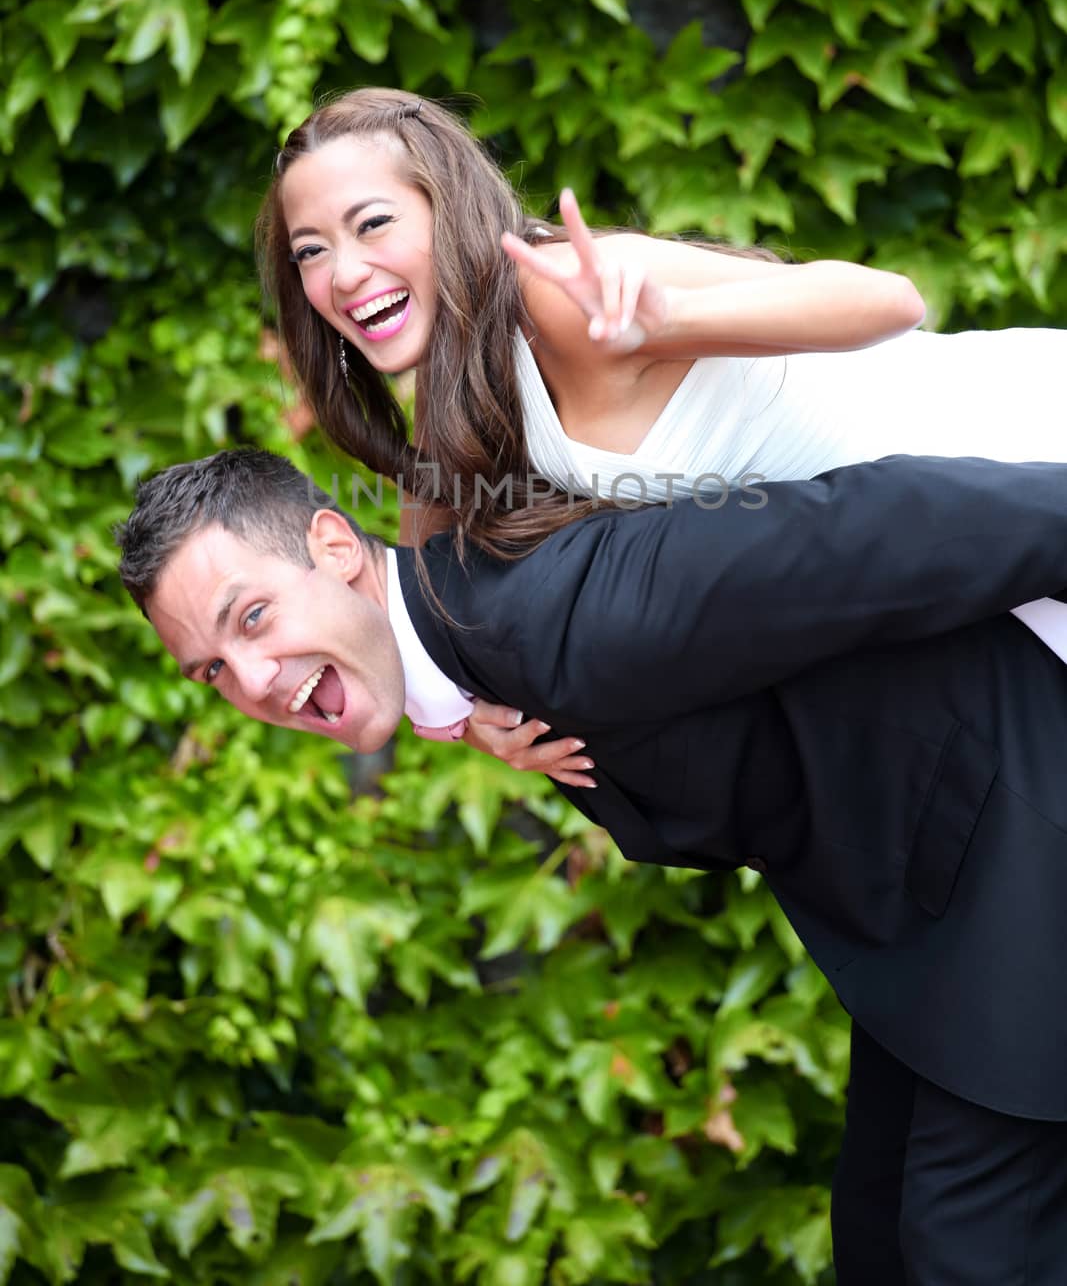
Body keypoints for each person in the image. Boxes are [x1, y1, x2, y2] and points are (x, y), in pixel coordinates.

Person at [118, 446, 1067, 1283]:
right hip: (925, 907)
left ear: (333, 547)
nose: (249, 683)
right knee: (880, 1239)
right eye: (210, 671)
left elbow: (864, 527)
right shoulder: (462, 651)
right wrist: (446, 713)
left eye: (249, 620)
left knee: (969, 1253)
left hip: (1021, 843)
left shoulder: (548, 612)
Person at [254, 85, 1067, 779]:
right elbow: (425, 592)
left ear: (447, 208)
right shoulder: (452, 392)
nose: (344, 273)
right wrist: (472, 722)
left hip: (1013, 450)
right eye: (311, 251)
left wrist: (671, 318)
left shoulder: (558, 297)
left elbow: (889, 302)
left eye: (372, 224)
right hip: (951, 555)